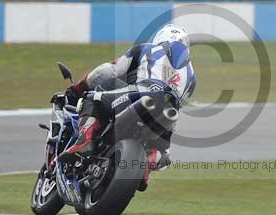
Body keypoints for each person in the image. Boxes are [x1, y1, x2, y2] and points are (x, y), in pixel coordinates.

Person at [57, 24, 196, 180]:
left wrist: (79, 87)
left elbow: (110, 70)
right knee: (163, 154)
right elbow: (180, 105)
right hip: (169, 113)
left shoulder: (147, 48)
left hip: (143, 92)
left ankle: (84, 142)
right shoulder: (192, 78)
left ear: (160, 37)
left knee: (91, 98)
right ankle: (146, 166)